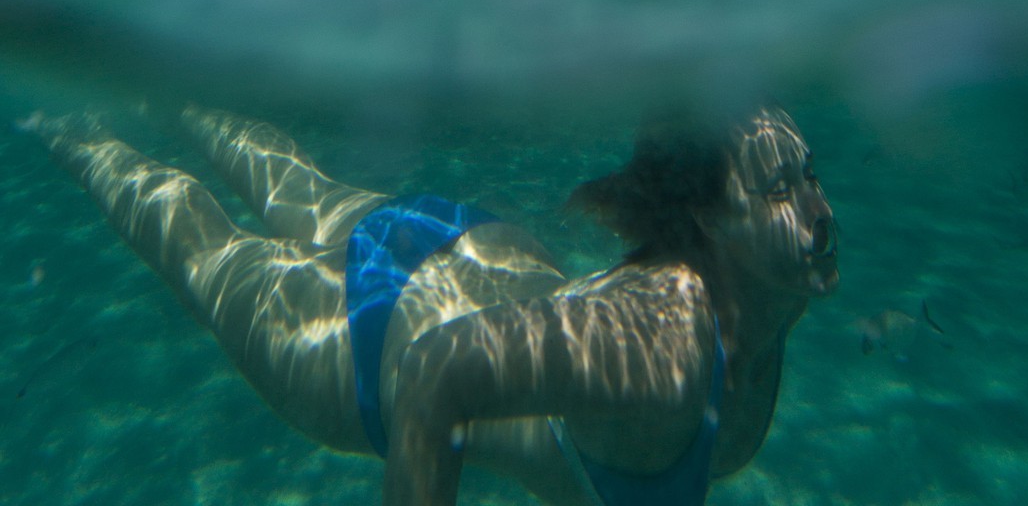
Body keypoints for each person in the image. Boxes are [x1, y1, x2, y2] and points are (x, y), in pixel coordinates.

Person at [32, 105, 837, 506]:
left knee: (295, 185)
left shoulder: (770, 301)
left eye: (809, 175)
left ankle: (170, 97)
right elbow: (432, 371)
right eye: (779, 189)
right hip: (367, 337)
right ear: (709, 224)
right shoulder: (662, 346)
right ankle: (60, 120)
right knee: (194, 242)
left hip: (469, 248)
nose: (818, 211)